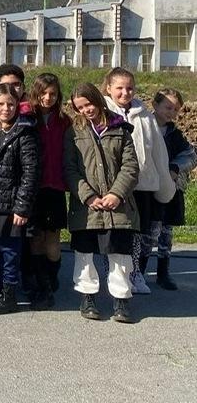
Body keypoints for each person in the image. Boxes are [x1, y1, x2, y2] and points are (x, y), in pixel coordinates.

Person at [65, 83, 139, 323]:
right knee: (84, 254)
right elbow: (70, 169)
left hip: (118, 206)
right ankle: (88, 297)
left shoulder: (120, 129)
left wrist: (117, 194)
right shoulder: (73, 132)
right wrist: (88, 196)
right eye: (80, 107)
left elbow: (130, 166)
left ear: (98, 99)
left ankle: (121, 301)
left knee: (119, 254)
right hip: (86, 208)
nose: (86, 110)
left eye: (89, 104)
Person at [101, 67, 174, 295]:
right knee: (115, 232)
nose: (125, 93)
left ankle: (135, 272)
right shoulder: (104, 112)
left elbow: (158, 151)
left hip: (142, 183)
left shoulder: (145, 115)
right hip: (114, 185)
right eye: (120, 88)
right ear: (109, 88)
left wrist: (164, 181)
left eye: (129, 88)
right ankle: (113, 272)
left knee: (139, 232)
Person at [0, 84, 39, 315]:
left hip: (11, 205)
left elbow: (30, 173)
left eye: (10, 104)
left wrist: (22, 207)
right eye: (0, 104)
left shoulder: (24, 132)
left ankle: (9, 295)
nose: (6, 108)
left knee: (9, 252)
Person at [26, 73, 69, 309]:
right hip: (33, 187)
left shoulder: (64, 121)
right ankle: (41, 285)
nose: (48, 98)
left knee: (52, 239)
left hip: (55, 186)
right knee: (35, 238)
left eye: (53, 94)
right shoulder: (27, 117)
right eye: (43, 93)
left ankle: (52, 278)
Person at [150, 88, 193, 291]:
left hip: (171, 189)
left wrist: (175, 167)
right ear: (155, 105)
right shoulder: (144, 128)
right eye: (168, 107)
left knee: (166, 232)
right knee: (148, 232)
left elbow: (191, 154)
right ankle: (138, 270)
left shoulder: (175, 134)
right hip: (148, 189)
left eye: (176, 109)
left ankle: (163, 272)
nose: (171, 112)